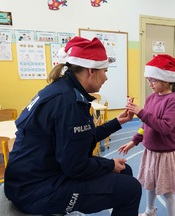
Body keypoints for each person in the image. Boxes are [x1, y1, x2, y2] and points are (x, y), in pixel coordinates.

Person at [4, 37, 142, 215]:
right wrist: (109, 165)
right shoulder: (69, 102)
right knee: (131, 189)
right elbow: (75, 167)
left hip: (33, 179)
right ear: (91, 71)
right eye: (105, 71)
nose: (106, 78)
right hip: (36, 191)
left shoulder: (64, 90)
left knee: (124, 171)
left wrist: (118, 122)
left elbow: (80, 140)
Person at [118, 54, 175, 216]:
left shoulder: (174, 100)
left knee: (166, 190)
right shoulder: (151, 98)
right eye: (148, 80)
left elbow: (164, 127)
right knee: (149, 184)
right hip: (150, 152)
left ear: (167, 80)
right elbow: (146, 126)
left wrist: (141, 112)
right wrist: (134, 142)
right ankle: (150, 210)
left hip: (164, 155)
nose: (149, 84)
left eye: (153, 80)